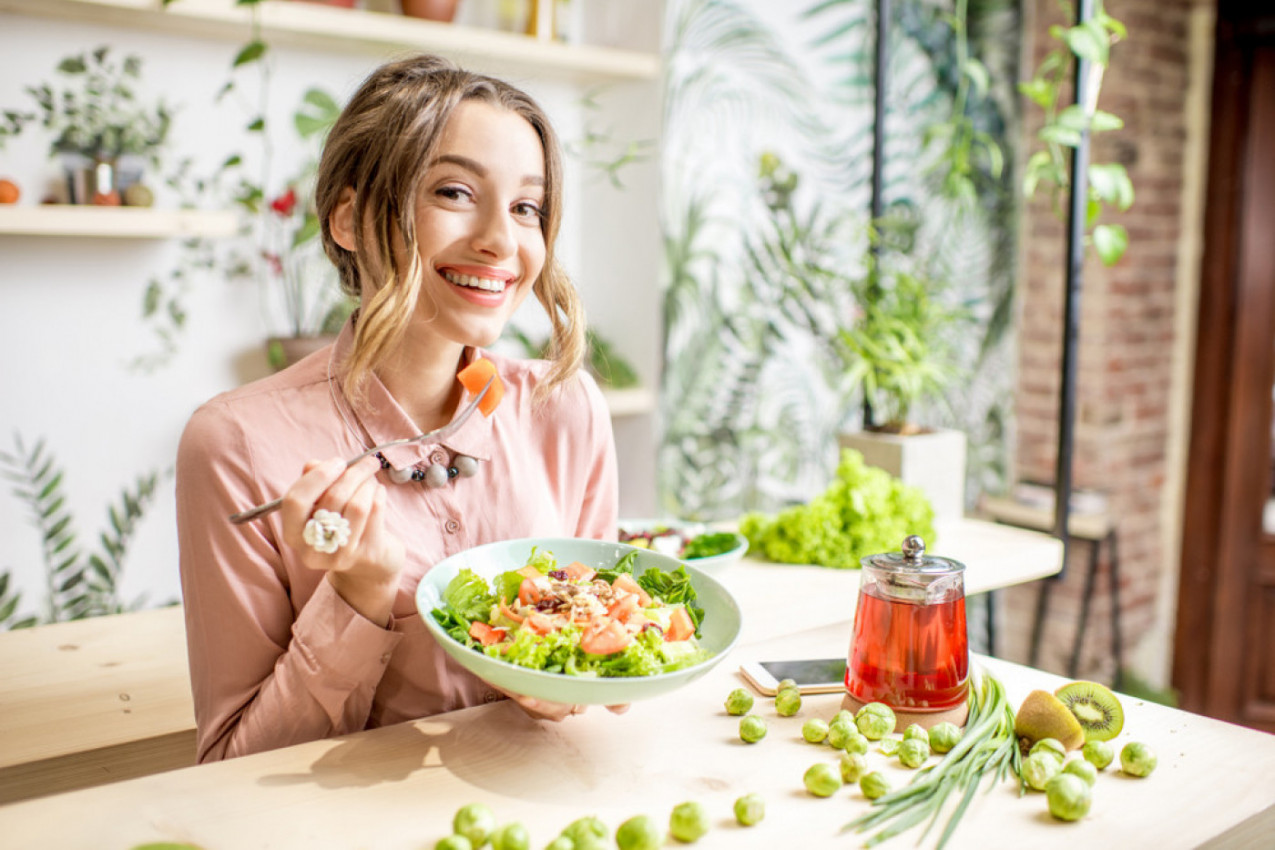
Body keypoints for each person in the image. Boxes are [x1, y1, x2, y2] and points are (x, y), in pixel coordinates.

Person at [176, 54, 621, 763]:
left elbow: (612, 670)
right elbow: (232, 767)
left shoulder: (562, 408)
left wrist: (572, 678)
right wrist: (358, 594)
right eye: (453, 191)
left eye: (526, 208)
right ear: (350, 219)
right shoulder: (234, 443)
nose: (501, 241)